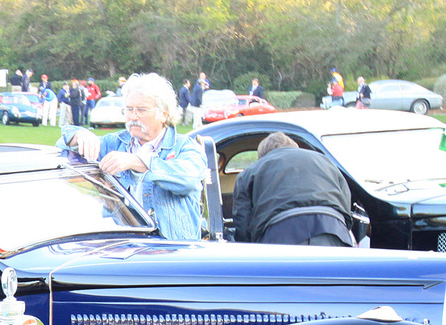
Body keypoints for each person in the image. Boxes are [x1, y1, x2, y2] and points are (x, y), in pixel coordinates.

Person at [57, 72, 206, 242]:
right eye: (129, 109)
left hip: (175, 253)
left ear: (164, 114)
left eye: (141, 110)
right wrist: (80, 136)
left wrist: (137, 162)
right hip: (122, 249)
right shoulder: (114, 143)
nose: (133, 116)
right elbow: (60, 150)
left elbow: (188, 178)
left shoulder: (185, 147)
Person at [231, 132, 354, 246]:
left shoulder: (250, 173)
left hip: (280, 235)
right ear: (295, 148)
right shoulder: (326, 162)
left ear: (262, 156)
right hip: (334, 231)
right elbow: (346, 204)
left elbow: (243, 225)